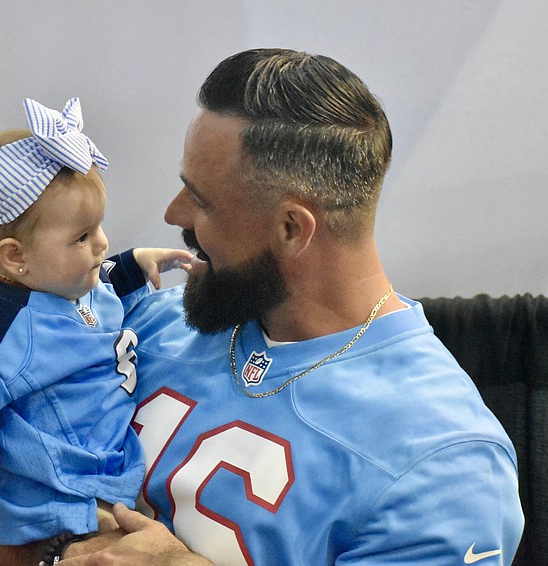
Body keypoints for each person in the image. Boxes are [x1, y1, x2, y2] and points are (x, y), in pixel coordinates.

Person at [58, 49, 524, 565]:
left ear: (290, 229)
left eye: (201, 199)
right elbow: (11, 514)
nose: (174, 214)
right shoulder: (145, 325)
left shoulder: (443, 463)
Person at [0, 97, 191, 566]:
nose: (102, 243)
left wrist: (134, 265)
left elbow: (102, 280)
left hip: (101, 458)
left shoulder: (67, 282)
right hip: (51, 489)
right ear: (14, 257)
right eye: (81, 237)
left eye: (99, 227)